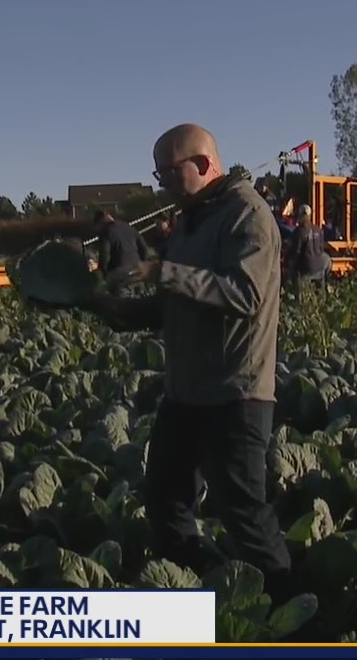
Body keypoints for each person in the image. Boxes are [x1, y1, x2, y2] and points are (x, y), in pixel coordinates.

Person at [80, 123, 298, 605]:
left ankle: (287, 617)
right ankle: (194, 594)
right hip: (185, 393)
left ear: (201, 165)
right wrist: (117, 311)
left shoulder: (248, 214)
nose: (162, 185)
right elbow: (176, 303)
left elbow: (246, 293)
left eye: (167, 174)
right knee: (164, 499)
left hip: (235, 391)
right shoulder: (190, 220)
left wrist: (164, 270)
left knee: (245, 515)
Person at [93, 209, 151, 295]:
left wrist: (103, 272)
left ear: (101, 221)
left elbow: (105, 254)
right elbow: (144, 248)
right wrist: (143, 264)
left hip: (120, 271)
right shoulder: (128, 227)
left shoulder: (106, 231)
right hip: (138, 269)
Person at [285, 204, 331, 290]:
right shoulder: (318, 229)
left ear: (302, 216)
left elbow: (295, 253)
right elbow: (321, 248)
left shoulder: (299, 232)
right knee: (327, 258)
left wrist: (288, 268)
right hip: (319, 268)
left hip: (306, 270)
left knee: (291, 270)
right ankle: (324, 292)